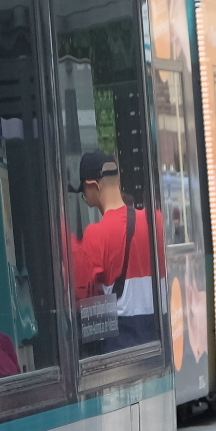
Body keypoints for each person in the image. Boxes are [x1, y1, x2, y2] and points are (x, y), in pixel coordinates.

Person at [73, 150, 160, 351]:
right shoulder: (156, 220)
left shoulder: (96, 234)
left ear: (93, 186)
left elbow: (84, 302)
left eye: (84, 193)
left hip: (123, 350)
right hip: (158, 342)